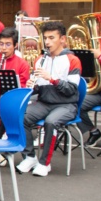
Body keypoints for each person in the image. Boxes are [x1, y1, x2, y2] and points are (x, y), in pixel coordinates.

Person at [16, 21, 81, 176]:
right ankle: (29, 157)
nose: (47, 42)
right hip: (45, 102)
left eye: (52, 38)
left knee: (51, 122)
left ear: (63, 39)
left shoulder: (73, 60)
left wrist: (51, 79)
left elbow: (71, 89)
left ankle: (45, 163)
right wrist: (32, 86)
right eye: (45, 38)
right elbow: (38, 88)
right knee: (21, 117)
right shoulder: (40, 59)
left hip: (66, 105)